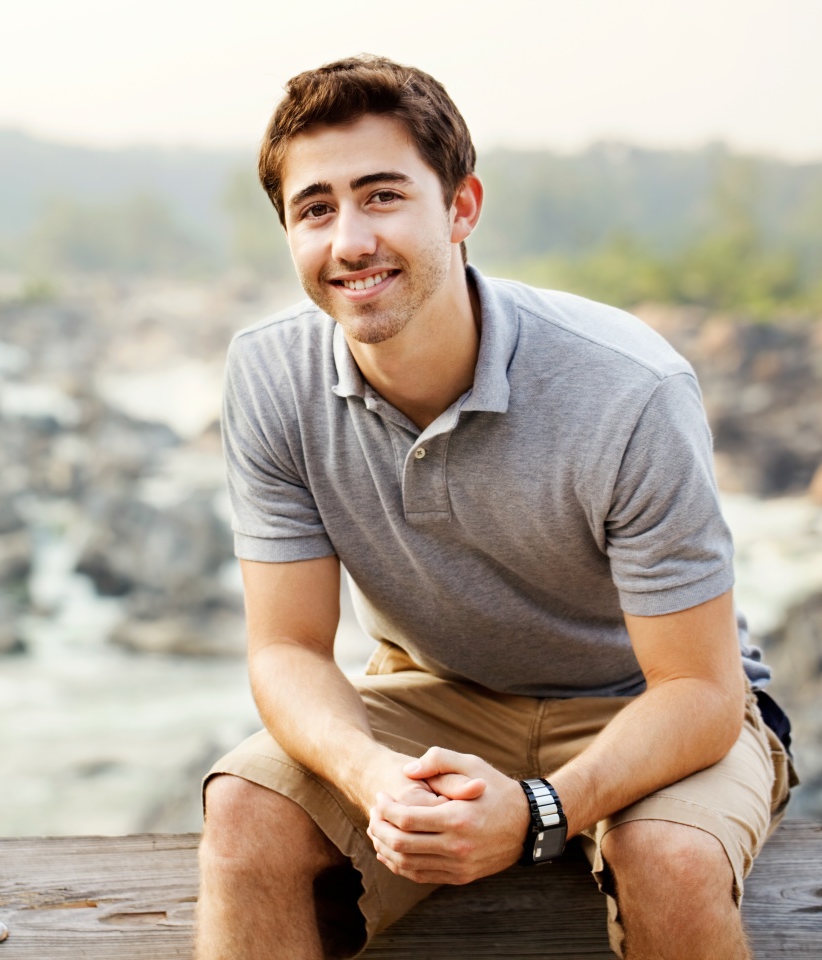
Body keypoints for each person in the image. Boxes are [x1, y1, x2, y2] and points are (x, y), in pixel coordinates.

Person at [195, 54, 796, 960]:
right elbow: (285, 648)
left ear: (462, 207)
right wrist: (373, 778)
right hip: (434, 693)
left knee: (665, 857)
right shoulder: (269, 375)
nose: (350, 240)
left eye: (383, 195)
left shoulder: (629, 388)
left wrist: (541, 811)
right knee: (247, 816)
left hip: (645, 700)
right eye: (316, 208)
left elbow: (700, 690)